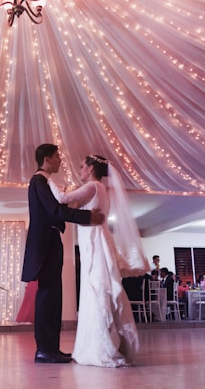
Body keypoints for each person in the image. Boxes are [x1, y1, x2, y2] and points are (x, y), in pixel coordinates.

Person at [47, 154, 150, 367]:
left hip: (94, 243)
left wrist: (47, 177)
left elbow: (61, 199)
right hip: (92, 241)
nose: (80, 170)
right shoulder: (98, 189)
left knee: (97, 290)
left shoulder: (93, 186)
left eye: (82, 166)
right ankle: (104, 343)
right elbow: (73, 205)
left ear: (92, 168)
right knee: (95, 290)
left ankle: (103, 346)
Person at [21, 144, 105, 364]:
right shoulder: (39, 180)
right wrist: (88, 218)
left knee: (53, 296)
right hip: (45, 243)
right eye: (57, 157)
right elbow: (55, 210)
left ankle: (51, 348)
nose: (60, 161)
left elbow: (57, 208)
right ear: (47, 159)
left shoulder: (44, 181)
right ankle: (44, 350)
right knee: (48, 296)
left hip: (51, 241)